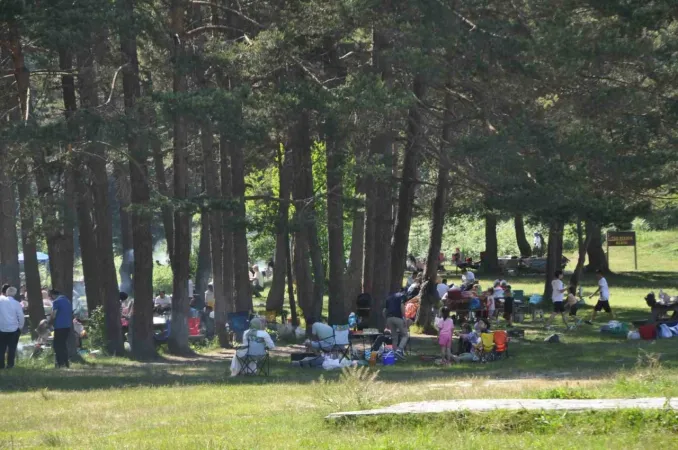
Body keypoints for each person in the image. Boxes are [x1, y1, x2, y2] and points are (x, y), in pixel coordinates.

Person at [0, 286, 24, 369]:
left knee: (1, 348)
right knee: (12, 348)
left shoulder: (1, 301)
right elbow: (21, 316)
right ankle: (10, 365)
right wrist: (20, 326)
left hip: (2, 328)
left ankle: (1, 365)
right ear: (14, 294)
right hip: (13, 329)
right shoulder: (16, 303)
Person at [383, 291, 409, 360]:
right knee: (405, 335)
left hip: (389, 318)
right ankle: (399, 350)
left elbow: (384, 311)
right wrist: (404, 318)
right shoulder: (402, 296)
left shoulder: (389, 298)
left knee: (394, 337)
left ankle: (395, 356)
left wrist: (387, 320)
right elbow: (402, 306)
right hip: (398, 318)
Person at [49, 289, 72, 369]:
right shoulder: (67, 301)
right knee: (63, 344)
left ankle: (60, 363)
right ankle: (66, 363)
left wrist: (50, 323)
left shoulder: (56, 302)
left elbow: (54, 315)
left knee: (57, 345)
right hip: (67, 326)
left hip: (59, 326)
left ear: (52, 295)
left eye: (50, 296)